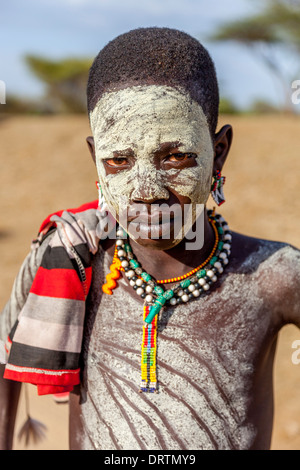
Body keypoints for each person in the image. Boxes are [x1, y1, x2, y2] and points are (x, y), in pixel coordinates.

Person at [0, 27, 299, 451]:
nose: (147, 190)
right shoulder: (71, 258)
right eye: (119, 161)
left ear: (219, 152)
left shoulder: (272, 276)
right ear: (95, 160)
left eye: (176, 156)